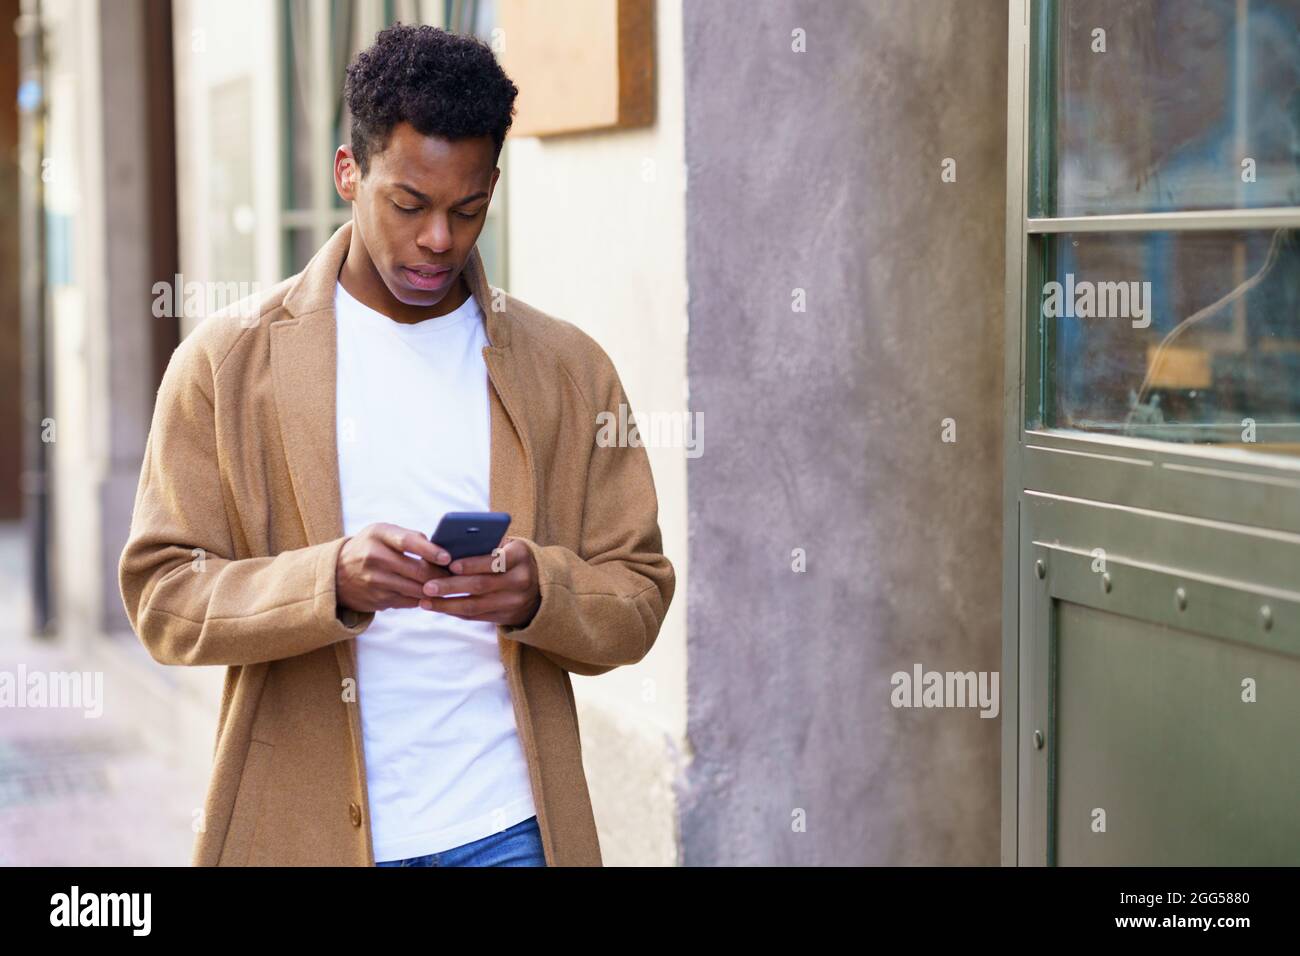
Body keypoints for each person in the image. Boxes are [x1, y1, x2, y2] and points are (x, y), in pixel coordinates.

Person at [118, 23, 674, 868]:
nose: (440, 240)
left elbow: (637, 592)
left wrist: (539, 591)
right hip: (306, 830)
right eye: (409, 205)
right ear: (350, 172)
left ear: (493, 185)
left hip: (510, 829)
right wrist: (327, 580)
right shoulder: (228, 365)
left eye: (468, 209)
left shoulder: (568, 370)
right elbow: (162, 598)